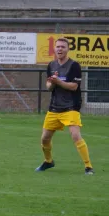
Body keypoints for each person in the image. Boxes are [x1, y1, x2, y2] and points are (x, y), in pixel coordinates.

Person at [36, 38, 94, 175]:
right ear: (54, 49)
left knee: (75, 135)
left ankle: (88, 167)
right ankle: (48, 161)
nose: (60, 49)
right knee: (44, 138)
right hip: (55, 107)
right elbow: (49, 87)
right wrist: (53, 82)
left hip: (71, 107)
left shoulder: (74, 66)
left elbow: (74, 87)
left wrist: (58, 82)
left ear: (68, 49)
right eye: (57, 47)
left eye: (62, 47)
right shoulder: (51, 65)